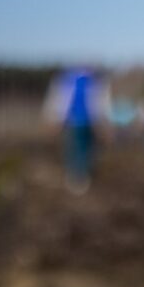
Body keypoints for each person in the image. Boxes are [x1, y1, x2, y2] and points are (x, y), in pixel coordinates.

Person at [42, 66, 111, 194]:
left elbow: (100, 104)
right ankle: (78, 176)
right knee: (79, 149)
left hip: (83, 123)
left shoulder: (71, 81)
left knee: (79, 149)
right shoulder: (86, 82)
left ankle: (79, 176)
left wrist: (54, 119)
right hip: (77, 122)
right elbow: (60, 102)